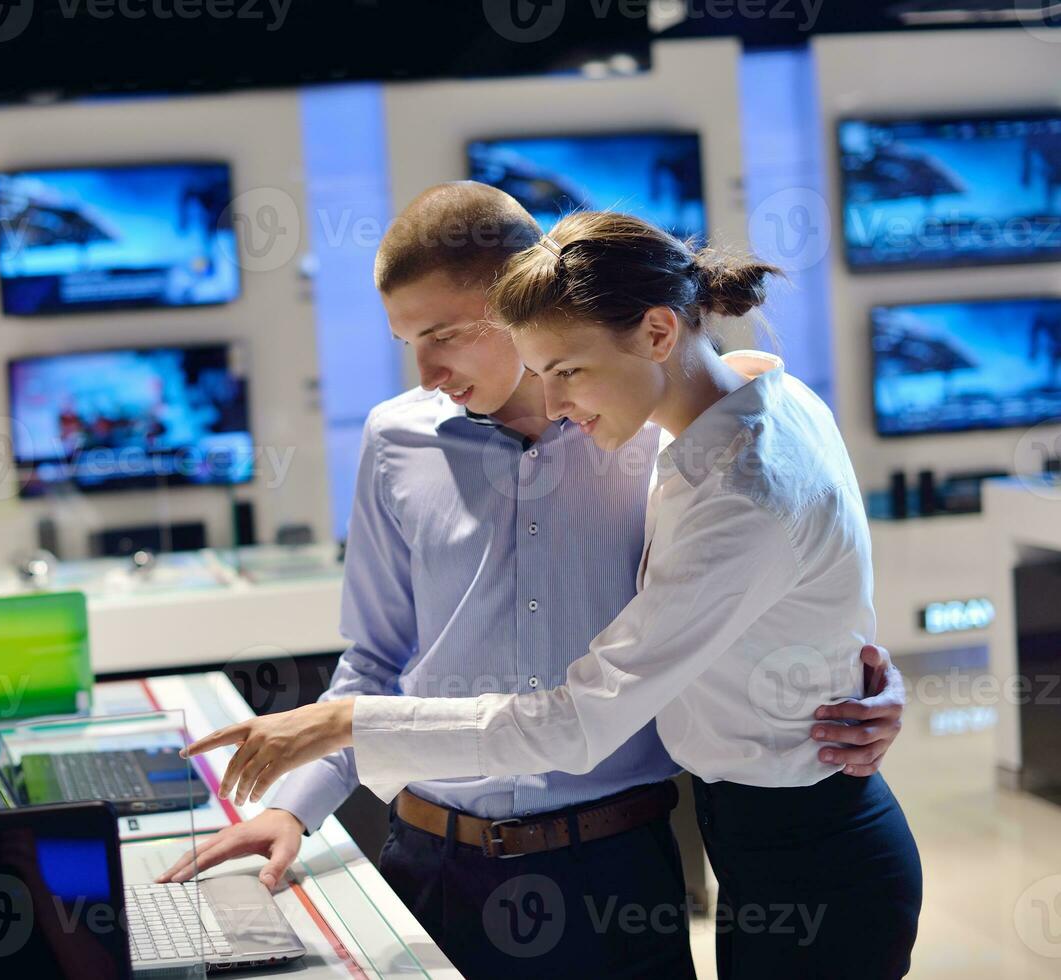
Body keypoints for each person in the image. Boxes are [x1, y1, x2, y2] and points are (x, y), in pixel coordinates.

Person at [163, 184, 909, 978]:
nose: (427, 370)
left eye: (445, 333)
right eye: (407, 340)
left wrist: (853, 675)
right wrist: (293, 803)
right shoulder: (396, 439)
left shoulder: (656, 430)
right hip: (430, 853)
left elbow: (770, 554)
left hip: (615, 862)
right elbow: (377, 651)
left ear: (519, 295)